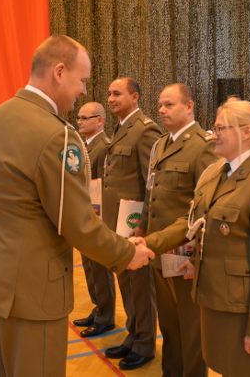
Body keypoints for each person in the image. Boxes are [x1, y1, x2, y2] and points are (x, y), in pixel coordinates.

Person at [0, 35, 154, 377]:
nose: (83, 90)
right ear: (59, 72)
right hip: (34, 290)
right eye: (81, 80)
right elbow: (78, 224)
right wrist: (127, 253)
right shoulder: (58, 135)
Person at [137, 100, 250, 377]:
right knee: (222, 366)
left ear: (247, 132)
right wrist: (149, 244)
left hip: (242, 311)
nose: (214, 135)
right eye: (214, 128)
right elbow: (193, 224)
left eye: (221, 129)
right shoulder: (216, 173)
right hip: (213, 300)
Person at [139, 83, 216, 377]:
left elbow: (205, 209)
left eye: (169, 104)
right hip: (159, 251)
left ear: (189, 107)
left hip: (184, 253)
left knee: (192, 327)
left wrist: (198, 258)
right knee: (169, 324)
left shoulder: (203, 145)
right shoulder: (162, 144)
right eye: (160, 104)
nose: (161, 110)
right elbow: (152, 192)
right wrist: (142, 228)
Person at [103, 77, 162, 370]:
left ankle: (145, 343)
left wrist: (145, 223)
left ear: (134, 97)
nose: (111, 98)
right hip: (117, 221)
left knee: (140, 284)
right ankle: (133, 334)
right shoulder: (121, 127)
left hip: (134, 222)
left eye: (117, 93)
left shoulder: (145, 129)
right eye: (109, 94)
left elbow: (152, 181)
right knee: (126, 281)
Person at [73, 102, 116, 338]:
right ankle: (98, 307)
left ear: (99, 120)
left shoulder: (105, 147)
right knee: (89, 268)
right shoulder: (85, 145)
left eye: (84, 118)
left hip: (97, 216)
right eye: (78, 118)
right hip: (85, 215)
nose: (79, 122)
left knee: (100, 269)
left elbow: (104, 185)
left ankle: (106, 317)